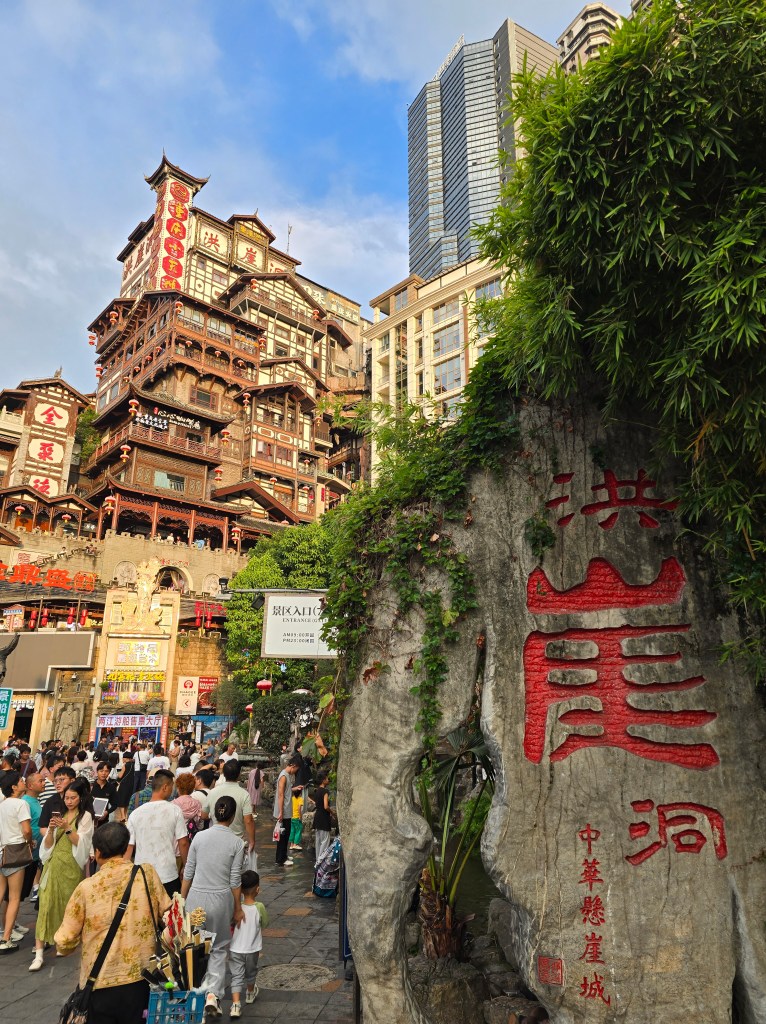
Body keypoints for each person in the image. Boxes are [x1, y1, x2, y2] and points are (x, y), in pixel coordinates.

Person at [54, 822, 170, 1024]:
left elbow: (64, 942)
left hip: (99, 984)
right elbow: (167, 912)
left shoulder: (86, 888)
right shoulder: (146, 874)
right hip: (142, 980)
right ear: (125, 848)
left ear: (98, 852)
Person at [181, 796, 245, 1020]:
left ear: (215, 814)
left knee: (195, 948)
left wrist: (181, 899)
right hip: (220, 900)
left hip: (196, 898)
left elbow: (189, 871)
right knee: (218, 948)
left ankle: (194, 997)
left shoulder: (199, 837)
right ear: (233, 816)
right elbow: (235, 880)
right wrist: (238, 908)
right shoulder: (237, 843)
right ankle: (212, 995)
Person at [31, 775, 94, 971]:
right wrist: (50, 830)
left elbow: (82, 844)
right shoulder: (59, 815)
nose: (69, 801)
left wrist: (67, 828)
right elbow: (47, 846)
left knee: (66, 907)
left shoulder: (85, 817)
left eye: (73, 797)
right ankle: (39, 953)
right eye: (66, 797)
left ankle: (62, 940)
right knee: (45, 905)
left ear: (80, 798)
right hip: (53, 866)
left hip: (71, 867)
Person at [126, 769, 188, 897]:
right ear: (165, 787)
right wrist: (186, 865)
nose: (173, 791)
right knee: (172, 908)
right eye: (172, 787)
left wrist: (126, 874)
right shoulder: (175, 810)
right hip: (168, 874)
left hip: (141, 874)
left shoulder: (135, 814)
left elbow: (129, 847)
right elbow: (183, 843)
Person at [0, 771, 33, 952]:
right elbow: (26, 830)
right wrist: (30, 841)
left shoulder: (2, 804)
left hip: (2, 850)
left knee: (0, 894)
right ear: (13, 787)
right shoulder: (21, 804)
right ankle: (6, 939)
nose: (23, 782)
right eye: (20, 780)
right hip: (15, 851)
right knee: (14, 898)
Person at [228, 869, 268, 1018]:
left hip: (235, 949)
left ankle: (235, 1005)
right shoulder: (259, 907)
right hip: (252, 949)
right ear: (257, 889)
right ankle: (250, 993)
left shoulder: (236, 907)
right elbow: (265, 923)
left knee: (236, 976)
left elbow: (231, 923)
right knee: (251, 972)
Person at [202, 760, 255, 852]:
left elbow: (203, 815)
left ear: (224, 774)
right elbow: (248, 820)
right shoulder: (244, 794)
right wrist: (252, 841)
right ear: (239, 775)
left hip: (215, 839)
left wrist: (214, 815)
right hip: (236, 840)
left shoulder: (212, 792)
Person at [273, 757, 301, 867]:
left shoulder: (287, 775)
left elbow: (286, 790)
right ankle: (280, 859)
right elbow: (280, 795)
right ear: (293, 766)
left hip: (286, 810)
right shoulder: (284, 776)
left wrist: (295, 788)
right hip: (283, 811)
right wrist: (281, 812)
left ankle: (283, 856)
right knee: (283, 836)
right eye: (296, 769)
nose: (296, 772)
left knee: (286, 833)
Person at [312, 772, 333, 867]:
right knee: (325, 841)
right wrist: (332, 812)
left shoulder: (317, 791)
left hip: (317, 817)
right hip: (324, 818)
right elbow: (326, 806)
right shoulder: (325, 791)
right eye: (327, 779)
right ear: (323, 780)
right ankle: (320, 862)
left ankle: (317, 861)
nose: (328, 780)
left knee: (318, 841)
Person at [174, 773, 203, 841]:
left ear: (178, 788)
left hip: (176, 840)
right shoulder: (197, 804)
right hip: (192, 839)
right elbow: (201, 825)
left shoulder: (173, 804)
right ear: (192, 788)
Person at [91, 762, 118, 827]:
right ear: (97, 771)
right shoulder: (91, 786)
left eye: (106, 771)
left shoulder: (111, 787)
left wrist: (107, 812)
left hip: (103, 820)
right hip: (89, 819)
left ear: (109, 772)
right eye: (101, 771)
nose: (103, 773)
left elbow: (115, 804)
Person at [289, 785, 304, 851]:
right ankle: (295, 844)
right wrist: (300, 817)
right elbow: (299, 809)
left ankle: (291, 845)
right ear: (300, 793)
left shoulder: (292, 798)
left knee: (292, 831)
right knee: (298, 830)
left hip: (291, 817)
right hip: (297, 817)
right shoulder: (300, 799)